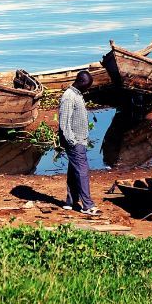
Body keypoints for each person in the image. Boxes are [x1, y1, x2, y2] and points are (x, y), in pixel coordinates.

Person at [58, 70, 99, 215]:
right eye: (87, 85)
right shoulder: (69, 97)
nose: (88, 88)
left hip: (79, 140)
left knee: (73, 171)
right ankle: (87, 205)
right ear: (80, 81)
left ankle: (70, 201)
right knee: (82, 171)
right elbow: (64, 123)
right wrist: (72, 141)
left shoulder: (77, 94)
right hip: (74, 141)